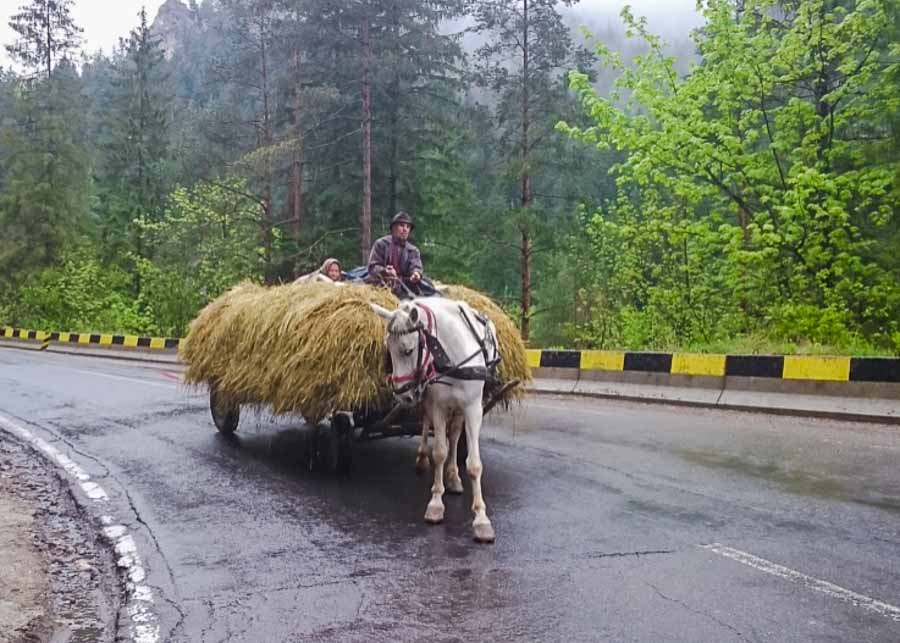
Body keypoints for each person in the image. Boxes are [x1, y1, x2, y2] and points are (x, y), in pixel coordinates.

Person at [366, 211, 424, 295]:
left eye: (408, 227)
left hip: (405, 286)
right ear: (393, 228)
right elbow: (372, 267)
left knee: (427, 289)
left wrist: (416, 274)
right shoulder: (381, 244)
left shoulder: (413, 250)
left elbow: (416, 266)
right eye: (402, 225)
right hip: (381, 285)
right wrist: (385, 271)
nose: (405, 229)